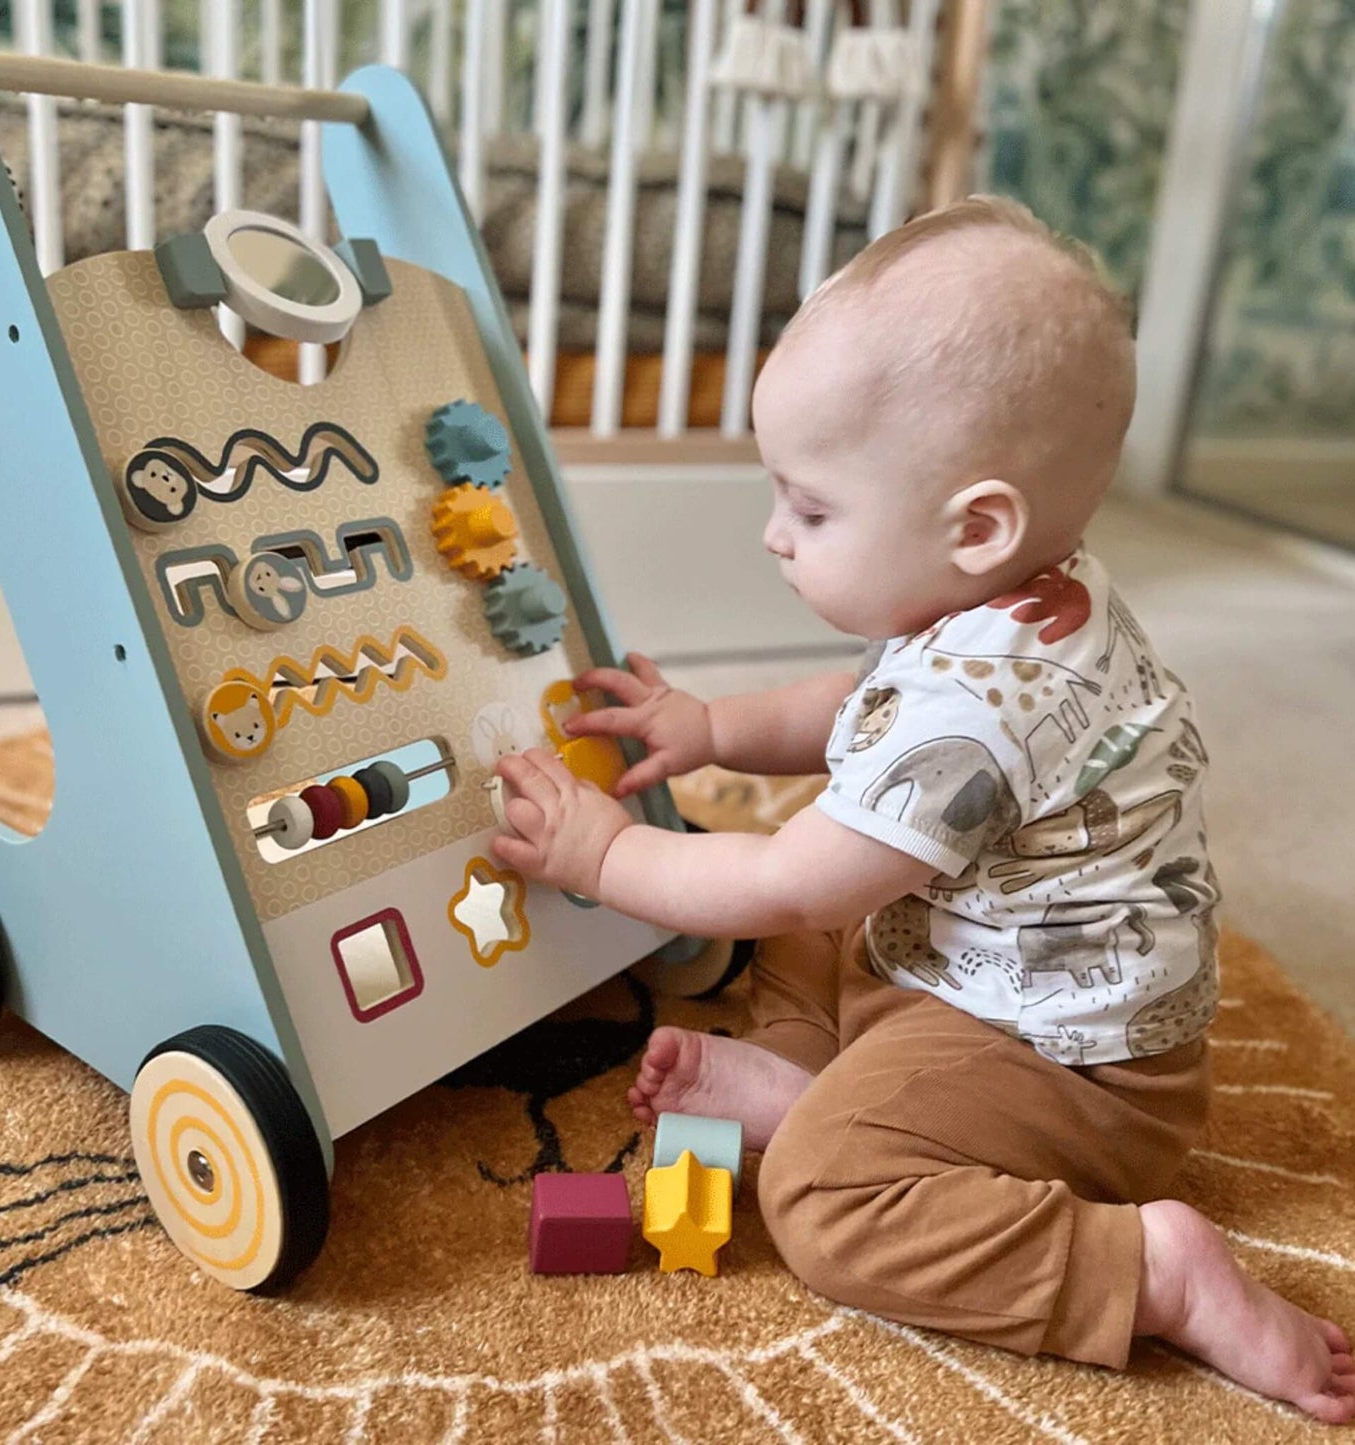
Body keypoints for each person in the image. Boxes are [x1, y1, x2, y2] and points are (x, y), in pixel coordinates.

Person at [492, 196, 1354, 1423]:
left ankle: (1150, 1270)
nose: (772, 536)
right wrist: (715, 727)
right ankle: (794, 1075)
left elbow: (784, 880)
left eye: (811, 507)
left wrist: (604, 850)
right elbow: (859, 706)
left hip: (1073, 1074)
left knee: (823, 1193)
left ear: (974, 525)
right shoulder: (1014, 597)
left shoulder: (982, 708)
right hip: (970, 963)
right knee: (814, 900)